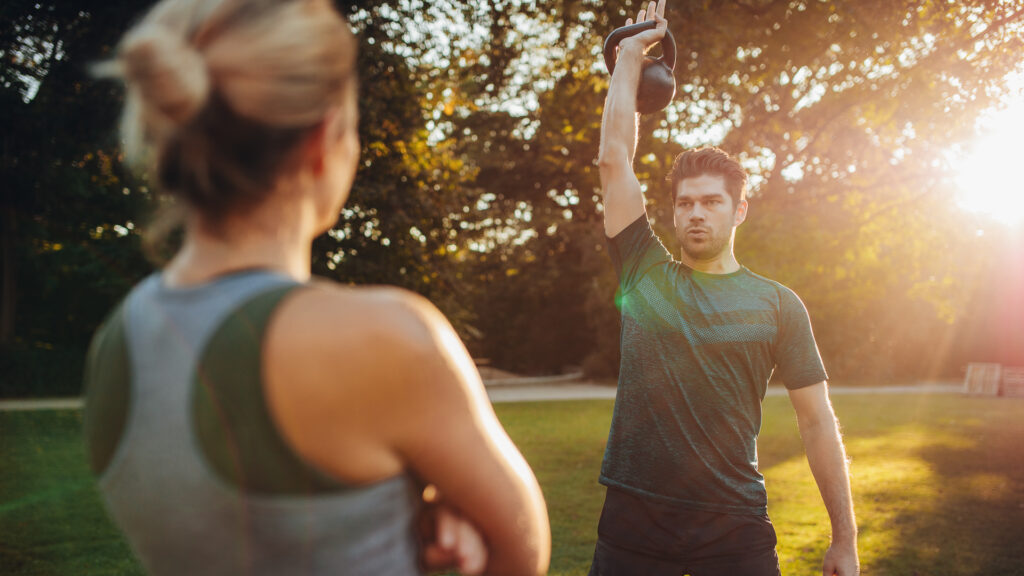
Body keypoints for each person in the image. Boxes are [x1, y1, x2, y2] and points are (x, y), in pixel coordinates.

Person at [81, 1, 550, 575]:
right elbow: (521, 552)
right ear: (324, 138)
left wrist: (410, 509)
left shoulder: (114, 343)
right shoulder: (385, 337)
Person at [590, 1, 859, 575]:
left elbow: (817, 422)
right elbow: (614, 161)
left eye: (711, 202)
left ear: (740, 210)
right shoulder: (644, 272)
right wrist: (630, 59)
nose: (695, 214)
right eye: (685, 202)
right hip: (634, 525)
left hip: (734, 527)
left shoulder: (778, 305)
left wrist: (845, 538)